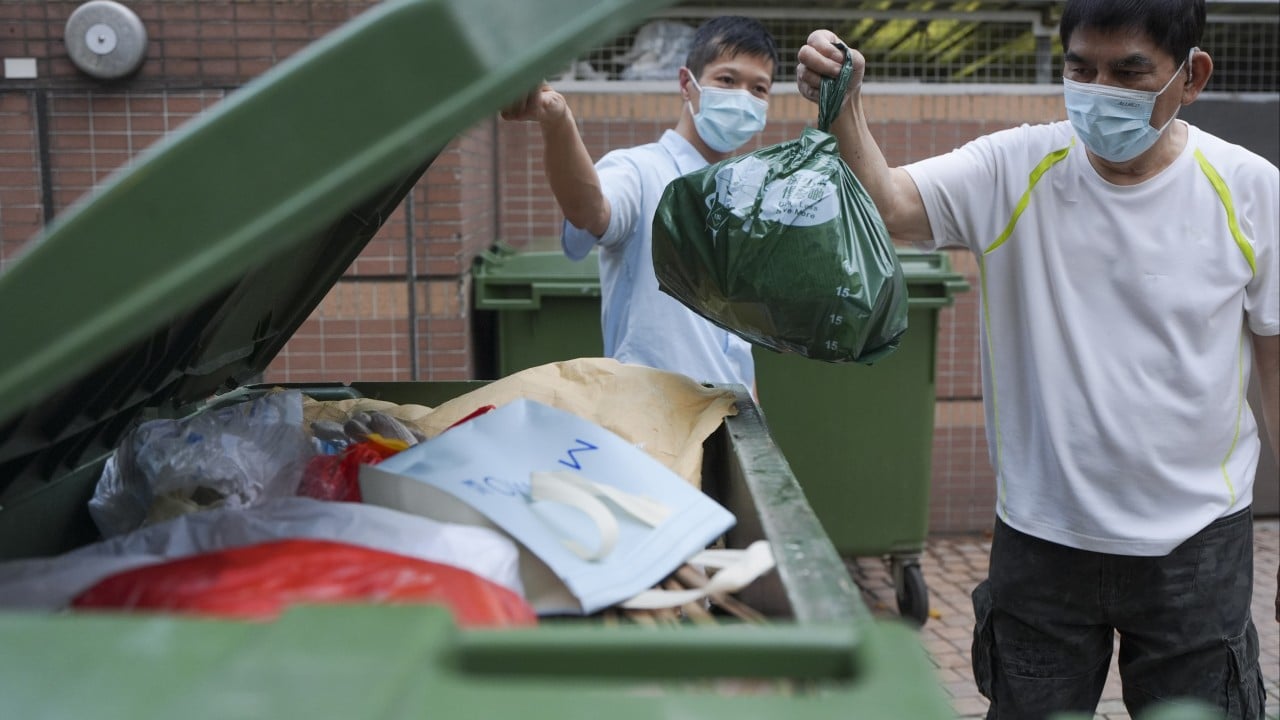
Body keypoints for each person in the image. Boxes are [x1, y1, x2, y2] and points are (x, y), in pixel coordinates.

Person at [797, 1, 1277, 718]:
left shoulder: (1248, 188)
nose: (1098, 91)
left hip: (1198, 544)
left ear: (1191, 75)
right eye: (1081, 68)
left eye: (1128, 72)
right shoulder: (1015, 165)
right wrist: (845, 103)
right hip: (1042, 539)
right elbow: (890, 204)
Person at [500, 16, 779, 395]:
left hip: (732, 420)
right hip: (653, 421)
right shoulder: (640, 170)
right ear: (687, 84)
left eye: (758, 88)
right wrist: (558, 121)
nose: (743, 97)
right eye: (727, 81)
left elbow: (737, 338)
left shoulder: (745, 196)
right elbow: (590, 209)